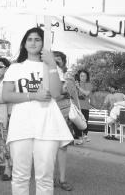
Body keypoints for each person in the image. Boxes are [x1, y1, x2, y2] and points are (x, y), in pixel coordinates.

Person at [2, 27, 73, 195]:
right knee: (20, 175)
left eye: (38, 39)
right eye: (30, 39)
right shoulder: (15, 67)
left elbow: (56, 93)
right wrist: (34, 95)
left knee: (45, 177)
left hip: (48, 126)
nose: (33, 42)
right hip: (21, 125)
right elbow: (6, 95)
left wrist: (52, 64)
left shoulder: (50, 66)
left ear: (44, 43)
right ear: (24, 44)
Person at [52, 51, 74, 191]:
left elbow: (68, 95)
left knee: (63, 146)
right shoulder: (47, 75)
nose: (56, 63)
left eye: (58, 61)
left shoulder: (68, 77)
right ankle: (51, 177)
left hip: (64, 113)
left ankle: (62, 179)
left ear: (64, 62)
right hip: (49, 113)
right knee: (50, 146)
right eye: (53, 61)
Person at [73, 69, 93, 144]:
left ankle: (85, 135)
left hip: (85, 107)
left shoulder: (89, 85)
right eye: (81, 75)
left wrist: (78, 87)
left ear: (87, 77)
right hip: (76, 107)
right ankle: (80, 139)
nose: (83, 77)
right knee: (76, 123)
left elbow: (87, 93)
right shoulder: (76, 84)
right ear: (79, 76)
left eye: (84, 76)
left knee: (84, 122)